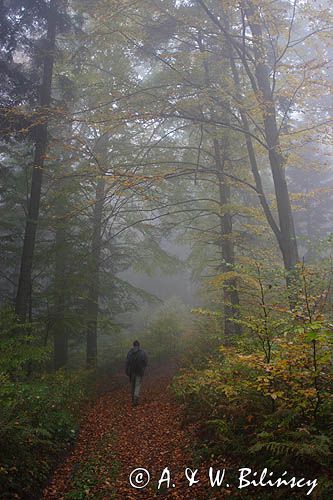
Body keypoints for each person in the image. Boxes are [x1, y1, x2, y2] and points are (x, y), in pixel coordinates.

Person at [125, 340, 148, 406]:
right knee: (137, 385)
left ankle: (133, 399)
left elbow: (127, 362)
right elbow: (145, 362)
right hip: (139, 372)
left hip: (131, 372)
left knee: (132, 386)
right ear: (139, 345)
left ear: (133, 345)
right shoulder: (142, 352)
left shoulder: (129, 352)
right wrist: (143, 368)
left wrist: (127, 371)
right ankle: (135, 399)